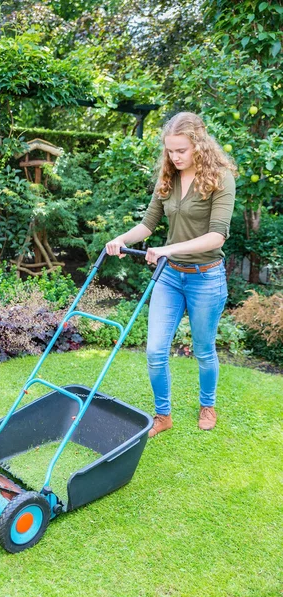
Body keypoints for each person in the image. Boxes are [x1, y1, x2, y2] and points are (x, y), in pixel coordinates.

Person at [105, 112, 237, 436]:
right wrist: (122, 239)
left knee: (204, 350)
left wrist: (167, 249)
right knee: (154, 351)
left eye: (181, 150)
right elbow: (148, 225)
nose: (175, 157)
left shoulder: (220, 178)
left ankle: (207, 404)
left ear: (199, 145)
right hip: (170, 276)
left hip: (206, 276)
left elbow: (217, 236)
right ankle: (163, 414)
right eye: (170, 151)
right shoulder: (168, 178)